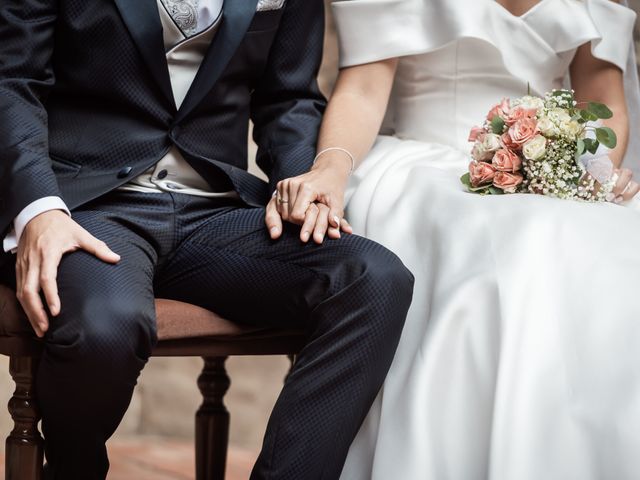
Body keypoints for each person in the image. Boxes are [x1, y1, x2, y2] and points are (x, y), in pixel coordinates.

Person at [0, 1, 415, 479]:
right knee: (106, 326)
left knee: (372, 280)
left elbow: (289, 98)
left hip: (215, 209)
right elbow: (12, 81)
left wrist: (303, 184)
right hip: (86, 204)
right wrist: (39, 209)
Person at [275, 0, 640, 478]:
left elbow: (604, 102)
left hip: (547, 174)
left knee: (609, 249)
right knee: (521, 242)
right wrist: (332, 168)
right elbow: (363, 89)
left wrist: (587, 165)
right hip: (422, 163)